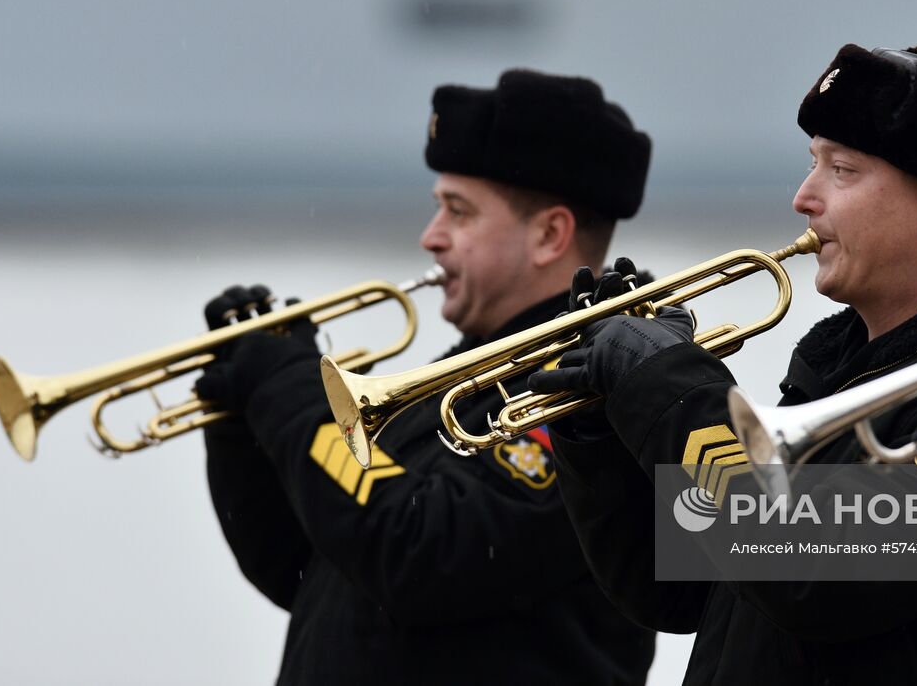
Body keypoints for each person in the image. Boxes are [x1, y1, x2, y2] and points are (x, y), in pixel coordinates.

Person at [530, 43, 917, 684]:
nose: (803, 197)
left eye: (842, 170)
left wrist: (673, 388)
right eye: (811, 163)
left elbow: (813, 570)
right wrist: (606, 416)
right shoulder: (839, 375)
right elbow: (679, 589)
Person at [195, 69, 657, 685]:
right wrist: (241, 422)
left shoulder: (585, 392)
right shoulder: (467, 373)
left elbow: (421, 554)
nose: (430, 237)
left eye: (458, 213)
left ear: (549, 235)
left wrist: (289, 393)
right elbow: (306, 569)